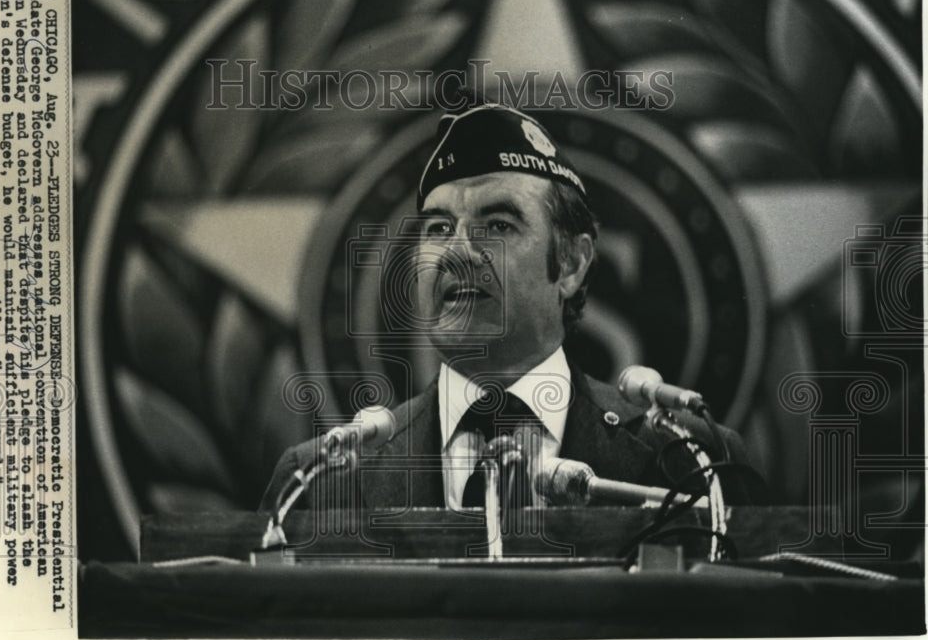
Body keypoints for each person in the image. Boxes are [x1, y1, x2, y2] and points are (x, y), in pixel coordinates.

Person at [260, 103, 758, 514]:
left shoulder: (692, 459)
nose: (455, 251)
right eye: (437, 229)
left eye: (497, 225)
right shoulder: (320, 483)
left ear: (570, 264)